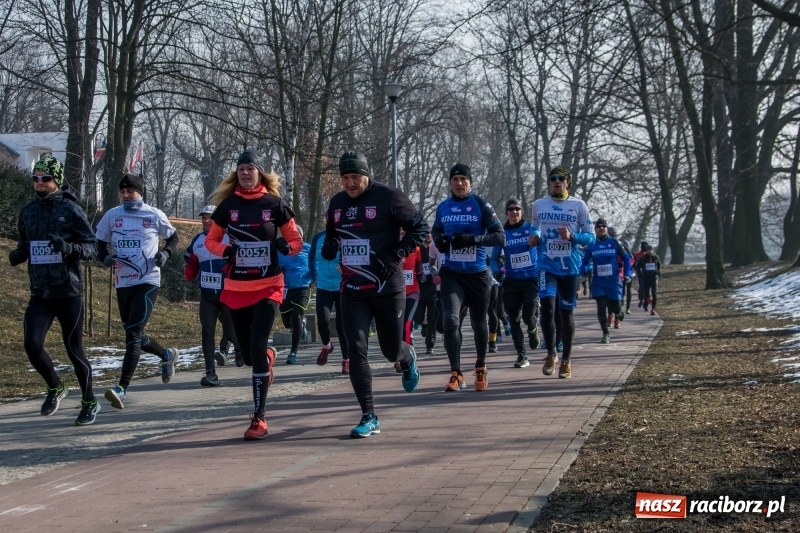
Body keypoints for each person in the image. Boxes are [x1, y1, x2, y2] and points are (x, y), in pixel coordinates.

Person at [321, 151, 428, 438]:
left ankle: (406, 358)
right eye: (345, 178)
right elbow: (332, 233)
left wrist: (397, 254)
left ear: (367, 175)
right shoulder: (337, 203)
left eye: (355, 177)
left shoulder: (389, 197)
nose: (350, 183)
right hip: (353, 287)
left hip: (386, 287)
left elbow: (420, 227)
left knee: (389, 350)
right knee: (355, 349)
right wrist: (329, 246)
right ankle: (369, 415)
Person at [204, 148, 302, 440]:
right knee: (248, 356)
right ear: (237, 173)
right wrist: (226, 251)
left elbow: (295, 239)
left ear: (260, 172)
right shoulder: (228, 205)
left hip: (269, 286)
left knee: (257, 346)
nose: (246, 173)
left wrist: (286, 247)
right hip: (236, 288)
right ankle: (266, 357)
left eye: (251, 168)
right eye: (241, 169)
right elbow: (211, 241)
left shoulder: (275, 204)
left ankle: (258, 418)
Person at [9, 156, 100, 425]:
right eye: (36, 178)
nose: (40, 183)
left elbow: (93, 247)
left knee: (74, 351)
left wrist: (69, 248)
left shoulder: (71, 210)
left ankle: (88, 401)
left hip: (68, 291)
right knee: (32, 344)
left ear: (56, 181)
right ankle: (55, 386)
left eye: (45, 178)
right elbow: (26, 243)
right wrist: (19, 254)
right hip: (41, 292)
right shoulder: (27, 211)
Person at [96, 173, 180, 410]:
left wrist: (165, 254)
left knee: (132, 336)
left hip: (147, 280)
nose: (125, 196)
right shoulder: (113, 215)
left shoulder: (153, 214)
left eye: (130, 192)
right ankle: (166, 355)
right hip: (123, 282)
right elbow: (99, 242)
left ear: (140, 192)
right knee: (136, 335)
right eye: (122, 192)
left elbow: (173, 237)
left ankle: (121, 389)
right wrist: (105, 257)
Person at [432, 163, 505, 392]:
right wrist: (440, 240)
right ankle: (456, 373)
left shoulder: (480, 205)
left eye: (463, 179)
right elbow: (436, 230)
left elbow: (499, 236)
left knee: (478, 323)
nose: (459, 183)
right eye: (455, 179)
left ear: (470, 182)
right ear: (450, 183)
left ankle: (481, 367)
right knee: (451, 320)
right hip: (452, 273)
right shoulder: (443, 207)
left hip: (477, 275)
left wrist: (473, 240)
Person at [528, 165, 595, 379]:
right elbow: (534, 228)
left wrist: (572, 237)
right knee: (547, 308)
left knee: (566, 314)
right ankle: (550, 353)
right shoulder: (538, 205)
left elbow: (590, 237)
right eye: (553, 178)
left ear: (568, 182)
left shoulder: (579, 205)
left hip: (570, 268)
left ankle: (566, 359)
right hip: (546, 266)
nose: (557, 182)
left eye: (561, 178)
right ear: (549, 182)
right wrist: (533, 237)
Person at [184, 204, 241, 386]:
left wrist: (230, 265)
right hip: (207, 295)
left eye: (210, 217)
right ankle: (210, 373)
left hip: (227, 294)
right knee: (207, 331)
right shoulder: (198, 240)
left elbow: (239, 258)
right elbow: (190, 260)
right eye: (203, 218)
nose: (207, 221)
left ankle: (241, 349)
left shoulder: (227, 238)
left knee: (231, 332)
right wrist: (191, 269)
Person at [490, 198, 540, 369]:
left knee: (527, 317)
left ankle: (533, 330)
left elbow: (542, 247)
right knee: (514, 320)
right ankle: (521, 354)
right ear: (506, 212)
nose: (514, 211)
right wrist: (497, 271)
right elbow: (493, 257)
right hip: (511, 281)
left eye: (517, 209)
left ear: (521, 211)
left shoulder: (530, 229)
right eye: (510, 209)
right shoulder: (502, 233)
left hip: (531, 279)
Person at [580, 218, 631, 343]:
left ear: (607, 229)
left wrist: (627, 274)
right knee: (601, 307)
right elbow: (585, 262)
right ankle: (605, 333)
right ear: (595, 229)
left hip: (613, 280)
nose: (601, 228)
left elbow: (627, 258)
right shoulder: (592, 245)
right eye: (599, 226)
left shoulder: (614, 242)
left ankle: (618, 312)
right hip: (598, 282)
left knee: (615, 307)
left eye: (604, 226)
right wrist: (582, 273)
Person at [309, 227, 349, 373]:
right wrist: (313, 276)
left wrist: (346, 267)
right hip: (324, 286)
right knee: (323, 321)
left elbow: (355, 258)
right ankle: (326, 346)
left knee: (342, 327)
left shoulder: (346, 237)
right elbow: (311, 256)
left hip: (342, 287)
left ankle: (346, 360)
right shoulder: (318, 238)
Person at [278, 224, 312, 364]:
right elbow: (275, 267)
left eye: (297, 233)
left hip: (303, 286)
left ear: (301, 235)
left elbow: (315, 264)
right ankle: (300, 324)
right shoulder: (281, 251)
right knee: (288, 323)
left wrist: (313, 279)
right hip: (285, 288)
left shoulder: (308, 248)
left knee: (296, 316)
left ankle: (293, 352)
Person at [412, 233, 438, 355]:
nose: (429, 236)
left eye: (430, 234)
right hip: (420, 289)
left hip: (433, 289)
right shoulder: (417, 249)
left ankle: (430, 345)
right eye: (426, 234)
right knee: (418, 317)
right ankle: (423, 324)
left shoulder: (435, 247)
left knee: (432, 318)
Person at [636, 244, 662, 315]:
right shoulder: (643, 258)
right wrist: (640, 274)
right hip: (646, 278)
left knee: (654, 293)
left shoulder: (656, 257)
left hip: (654, 278)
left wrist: (659, 271)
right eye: (648, 250)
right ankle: (648, 300)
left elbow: (659, 265)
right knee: (646, 293)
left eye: (651, 250)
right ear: (646, 251)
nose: (650, 251)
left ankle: (653, 309)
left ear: (653, 251)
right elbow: (637, 266)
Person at [620, 239, 635, 314]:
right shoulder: (628, 254)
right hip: (626, 274)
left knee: (624, 289)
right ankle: (627, 307)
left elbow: (633, 263)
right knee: (627, 290)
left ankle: (625, 304)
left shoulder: (630, 254)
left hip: (626, 274)